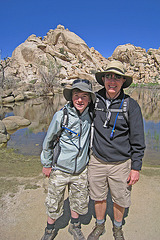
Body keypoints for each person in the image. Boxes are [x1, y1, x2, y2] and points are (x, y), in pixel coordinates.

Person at [87, 61, 146, 240]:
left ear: (123, 81)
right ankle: (99, 225)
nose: (112, 81)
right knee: (99, 197)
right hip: (97, 160)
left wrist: (135, 167)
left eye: (117, 77)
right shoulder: (94, 100)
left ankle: (117, 228)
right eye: (109, 77)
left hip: (121, 163)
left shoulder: (131, 105)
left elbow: (138, 140)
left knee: (120, 199)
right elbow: (77, 107)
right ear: (103, 79)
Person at [41, 79, 95, 240]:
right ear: (71, 97)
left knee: (78, 200)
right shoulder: (61, 116)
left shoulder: (91, 115)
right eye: (76, 95)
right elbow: (48, 141)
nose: (80, 100)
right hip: (60, 169)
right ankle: (50, 229)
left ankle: (75, 226)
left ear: (90, 99)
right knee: (54, 200)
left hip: (81, 170)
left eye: (84, 96)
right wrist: (46, 164)